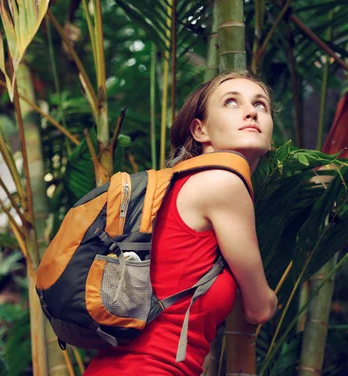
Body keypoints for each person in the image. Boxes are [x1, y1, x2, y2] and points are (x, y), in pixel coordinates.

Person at [84, 71, 278, 375]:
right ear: (200, 130)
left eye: (261, 105)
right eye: (231, 102)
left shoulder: (178, 185)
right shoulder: (223, 182)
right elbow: (259, 307)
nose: (251, 111)